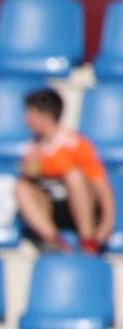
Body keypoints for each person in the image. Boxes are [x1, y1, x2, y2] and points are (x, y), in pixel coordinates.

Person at [15, 87, 116, 253]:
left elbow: (102, 186)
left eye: (30, 114)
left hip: (80, 206)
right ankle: (53, 240)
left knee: (73, 176)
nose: (26, 119)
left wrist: (107, 222)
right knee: (21, 188)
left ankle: (87, 239)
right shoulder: (32, 148)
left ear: (45, 115)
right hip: (53, 208)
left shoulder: (76, 145)